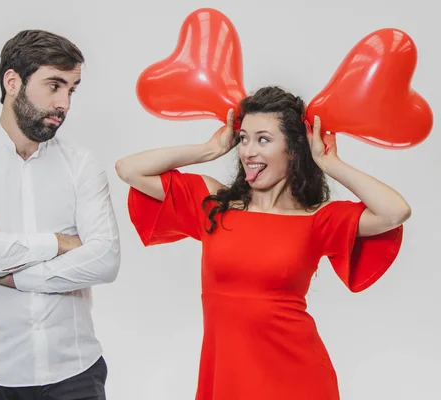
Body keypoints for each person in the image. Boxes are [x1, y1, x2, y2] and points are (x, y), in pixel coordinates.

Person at [115, 86, 410, 399]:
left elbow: (396, 211)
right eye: (244, 138)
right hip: (228, 378)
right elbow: (128, 169)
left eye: (263, 139)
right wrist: (210, 149)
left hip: (298, 378)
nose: (247, 151)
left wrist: (329, 162)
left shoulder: (316, 220)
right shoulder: (214, 206)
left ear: (294, 149)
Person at [0, 29, 120, 400]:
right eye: (54, 85)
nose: (64, 103)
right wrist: (58, 242)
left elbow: (105, 261)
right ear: (12, 82)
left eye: (72, 89)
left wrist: (10, 272)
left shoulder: (81, 165)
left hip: (75, 371)